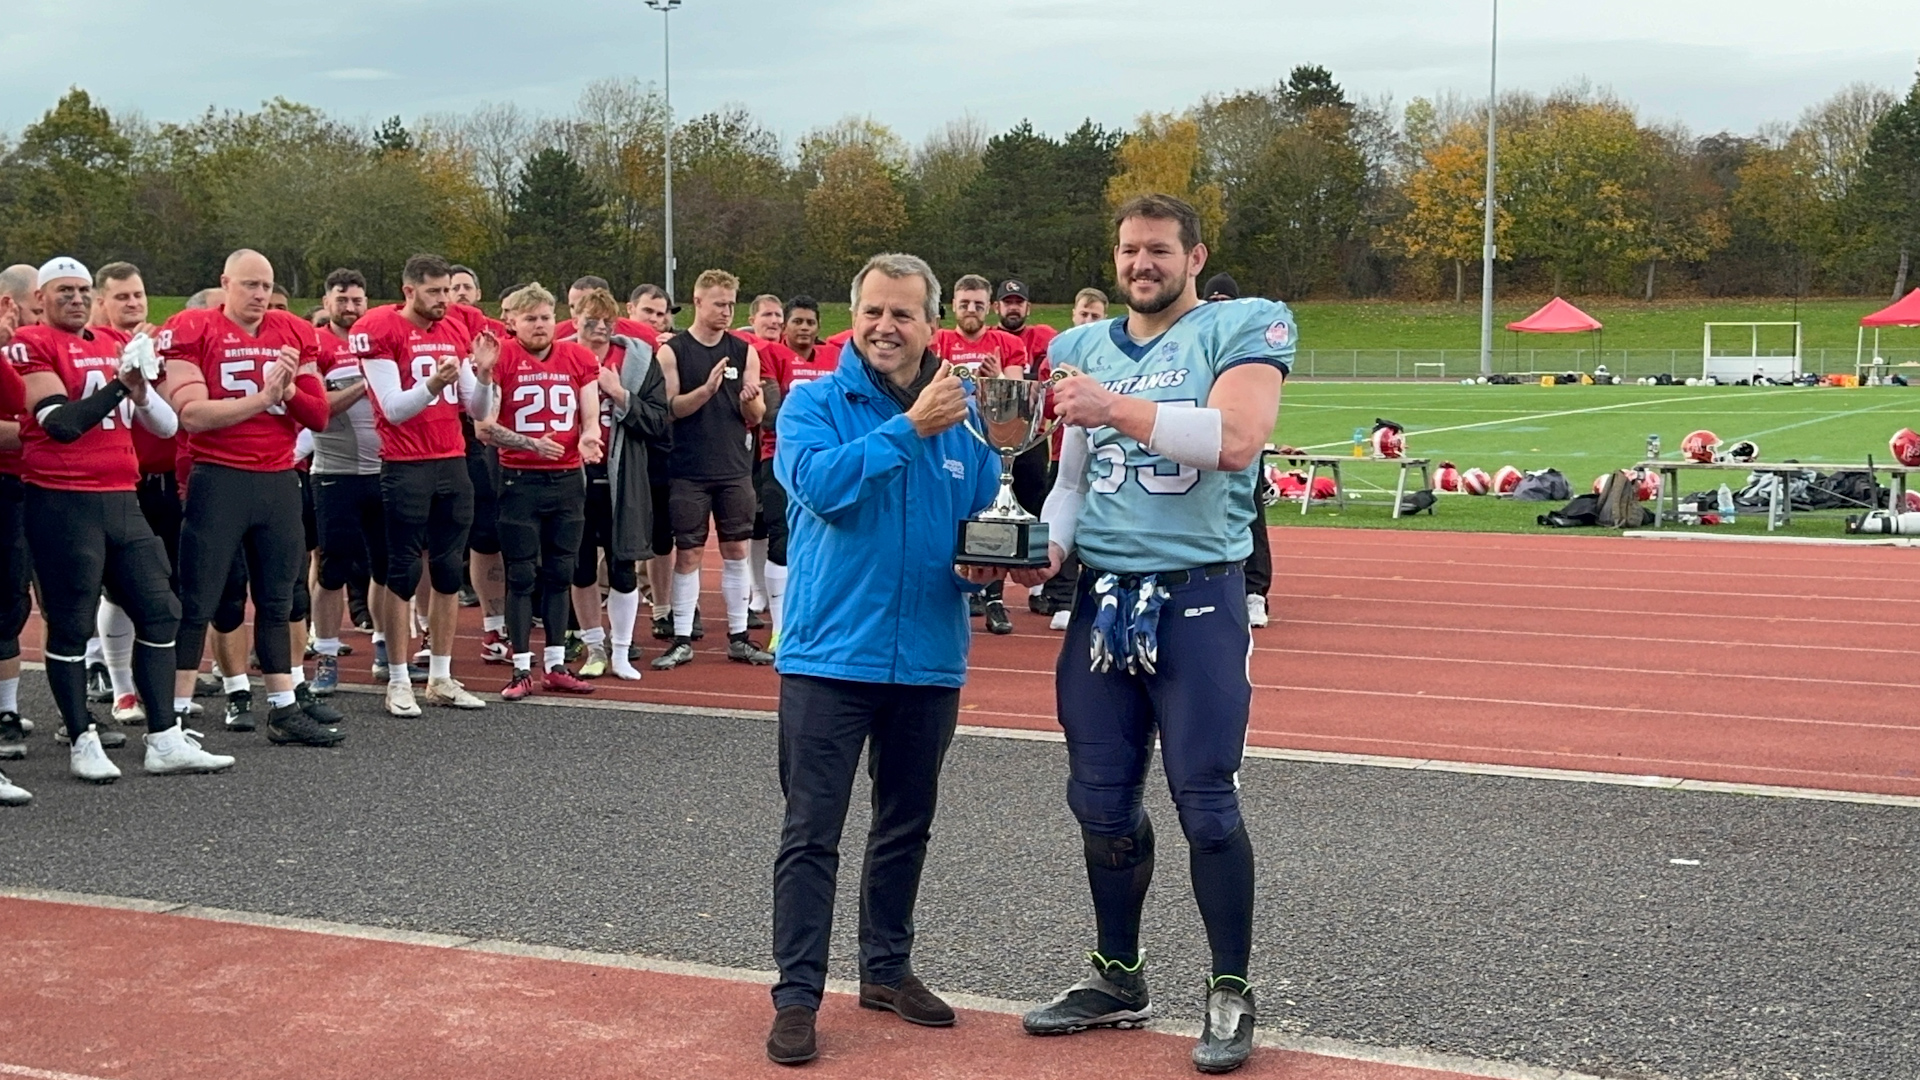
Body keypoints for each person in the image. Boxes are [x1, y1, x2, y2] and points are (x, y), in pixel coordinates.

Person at [1015, 195, 1290, 1074]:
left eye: (1159, 250)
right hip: (1102, 598)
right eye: (1130, 250)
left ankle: (1230, 989)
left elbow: (1238, 438)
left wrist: (1117, 409)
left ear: (1194, 257)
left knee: (1205, 800)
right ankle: (1117, 974)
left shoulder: (1240, 328)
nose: (1143, 264)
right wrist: (1043, 549)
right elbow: (1071, 479)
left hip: (1198, 599)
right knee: (1098, 801)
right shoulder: (1081, 347)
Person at [764, 252, 999, 1066]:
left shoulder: (971, 417)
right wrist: (909, 430)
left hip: (929, 655)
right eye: (872, 312)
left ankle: (886, 969)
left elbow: (983, 520)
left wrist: (986, 569)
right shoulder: (813, 403)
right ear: (852, 317)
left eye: (902, 313)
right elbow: (820, 487)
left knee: (906, 825)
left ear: (932, 323)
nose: (884, 328)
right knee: (811, 832)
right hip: (830, 657)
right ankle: (797, 994)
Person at [13, 256, 232, 782]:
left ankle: (163, 738)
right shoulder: (33, 344)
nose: (76, 298)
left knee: (160, 611)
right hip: (63, 500)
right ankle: (81, 738)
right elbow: (60, 424)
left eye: (83, 290)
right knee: (70, 624)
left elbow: (161, 422)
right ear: (40, 298)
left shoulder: (111, 343)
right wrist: (118, 384)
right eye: (64, 290)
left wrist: (140, 389)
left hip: (121, 496)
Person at [159, 249, 345, 747]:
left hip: (278, 478)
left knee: (277, 599)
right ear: (225, 283)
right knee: (200, 598)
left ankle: (283, 707)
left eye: (266, 285)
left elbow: (319, 416)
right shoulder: (195, 328)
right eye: (249, 285)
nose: (260, 295)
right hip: (219, 478)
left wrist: (285, 393)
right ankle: (174, 715)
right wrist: (263, 399)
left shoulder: (291, 332)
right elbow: (192, 414)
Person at [356, 254, 494, 715]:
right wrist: (434, 382)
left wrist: (487, 374)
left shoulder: (454, 329)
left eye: (447, 290)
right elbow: (392, 407)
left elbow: (475, 408)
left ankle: (440, 675)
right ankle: (398, 679)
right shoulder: (383, 329)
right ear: (409, 289)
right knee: (402, 572)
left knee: (449, 571)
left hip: (452, 458)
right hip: (405, 463)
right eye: (434, 291)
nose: (444, 300)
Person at [468, 283, 602, 699]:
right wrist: (530, 443)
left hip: (566, 478)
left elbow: (590, 413)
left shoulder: (577, 356)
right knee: (522, 574)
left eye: (545, 316)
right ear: (513, 321)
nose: (540, 325)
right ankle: (521, 667)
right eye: (530, 318)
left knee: (560, 573)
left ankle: (556, 663)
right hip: (519, 479)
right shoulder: (503, 357)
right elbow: (483, 425)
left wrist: (589, 438)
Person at [652, 269, 772, 669]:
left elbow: (755, 416)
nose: (726, 311)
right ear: (698, 301)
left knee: (736, 549)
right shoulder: (673, 351)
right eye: (719, 303)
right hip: (687, 466)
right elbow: (670, 409)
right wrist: (705, 389)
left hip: (734, 466)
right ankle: (682, 636)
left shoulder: (743, 350)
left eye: (731, 304)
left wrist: (751, 399)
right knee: (687, 553)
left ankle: (739, 636)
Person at [566, 288, 670, 681]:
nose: (598, 330)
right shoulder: (561, 356)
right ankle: (594, 647)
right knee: (579, 566)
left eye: (605, 324)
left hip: (623, 474)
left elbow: (659, 421)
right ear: (575, 318)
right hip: (572, 475)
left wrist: (620, 394)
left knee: (623, 563)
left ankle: (622, 650)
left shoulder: (639, 361)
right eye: (590, 322)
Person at [307, 269, 393, 695]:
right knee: (333, 567)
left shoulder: (380, 342)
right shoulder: (315, 345)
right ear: (327, 303)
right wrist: (365, 382)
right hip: (335, 473)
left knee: (386, 565)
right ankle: (324, 653)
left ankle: (383, 646)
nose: (351, 308)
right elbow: (317, 409)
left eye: (358, 300)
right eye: (342, 300)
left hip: (383, 470)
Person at [930, 274, 1029, 636]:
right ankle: (954, 587)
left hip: (991, 441)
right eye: (964, 304)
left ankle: (994, 598)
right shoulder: (938, 341)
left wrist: (998, 376)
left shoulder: (1004, 342)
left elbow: (1019, 397)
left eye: (978, 304)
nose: (971, 310)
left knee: (993, 515)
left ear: (989, 307)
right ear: (954, 306)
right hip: (948, 437)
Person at [1201, 273, 1271, 630]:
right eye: (1212, 302)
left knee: (1250, 513)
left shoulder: (1250, 343)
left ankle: (1255, 591)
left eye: (1225, 302)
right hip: (1200, 438)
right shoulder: (1196, 339)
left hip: (1240, 440)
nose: (1218, 309)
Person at [1038, 288, 1111, 630]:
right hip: (1061, 449)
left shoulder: (1110, 359)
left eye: (1096, 315)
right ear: (1073, 313)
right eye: (1084, 314)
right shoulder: (1063, 354)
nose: (1088, 321)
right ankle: (1063, 595)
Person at [993, 279, 1060, 620]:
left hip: (1032, 436)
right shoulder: (992, 341)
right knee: (994, 505)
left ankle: (1037, 585)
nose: (1013, 308)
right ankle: (991, 591)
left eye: (1019, 302)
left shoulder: (1044, 337)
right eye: (1007, 302)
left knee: (1035, 505)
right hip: (994, 437)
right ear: (997, 307)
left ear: (1028, 308)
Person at [0, 265, 41, 756]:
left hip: (33, 484)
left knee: (16, 599)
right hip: (10, 478)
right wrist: (50, 431)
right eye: (28, 311)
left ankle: (8, 706)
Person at [736, 293, 794, 631]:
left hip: (774, 448)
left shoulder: (785, 353)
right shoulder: (745, 347)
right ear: (753, 319)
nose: (774, 321)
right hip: (747, 446)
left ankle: (764, 594)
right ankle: (756, 592)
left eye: (777, 316)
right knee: (751, 524)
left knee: (772, 524)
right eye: (767, 316)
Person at [627, 284, 682, 639]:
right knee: (619, 535)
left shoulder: (673, 350)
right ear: (630, 309)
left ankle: (663, 608)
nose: (657, 319)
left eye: (662, 313)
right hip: (626, 449)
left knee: (663, 534)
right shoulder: (620, 349)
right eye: (649, 311)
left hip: (661, 448)